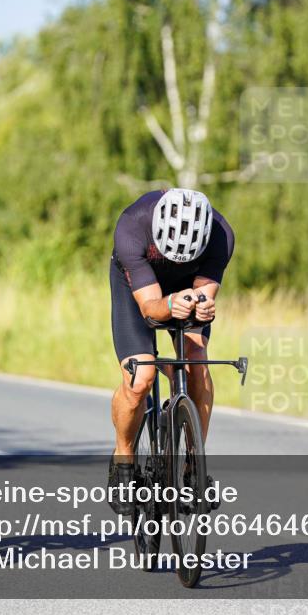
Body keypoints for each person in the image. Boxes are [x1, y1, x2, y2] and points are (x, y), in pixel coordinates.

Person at [108, 188, 234, 514]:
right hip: (140, 288)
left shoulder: (221, 235)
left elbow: (204, 294)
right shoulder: (132, 226)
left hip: (189, 286)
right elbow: (150, 309)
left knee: (197, 361)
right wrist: (168, 303)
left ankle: (195, 470)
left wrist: (202, 308)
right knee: (140, 377)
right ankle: (123, 460)